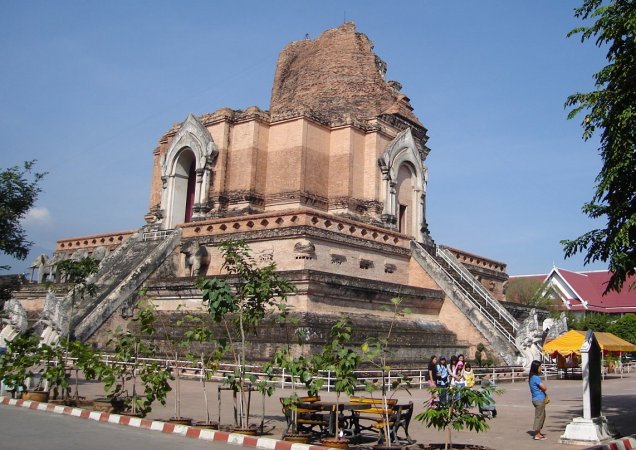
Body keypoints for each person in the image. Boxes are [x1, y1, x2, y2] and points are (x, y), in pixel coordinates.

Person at [528, 360, 548, 440]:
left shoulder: (532, 377)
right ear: (536, 368)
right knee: (539, 416)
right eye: (540, 367)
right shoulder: (535, 378)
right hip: (539, 399)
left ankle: (538, 432)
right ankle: (536, 434)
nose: (541, 368)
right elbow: (544, 387)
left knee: (542, 416)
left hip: (536, 398)